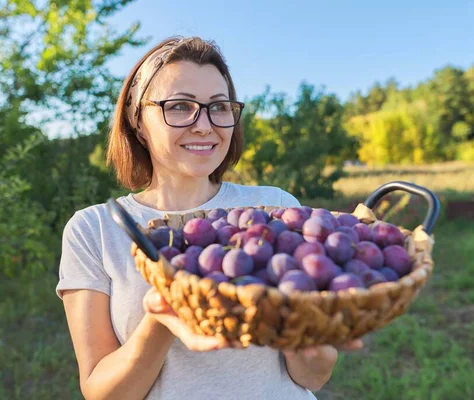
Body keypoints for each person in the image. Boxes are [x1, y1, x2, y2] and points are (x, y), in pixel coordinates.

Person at [56, 36, 363, 400]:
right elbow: (102, 393)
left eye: (219, 107)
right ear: (137, 120)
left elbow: (312, 378)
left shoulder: (274, 208)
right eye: (180, 106)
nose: (204, 125)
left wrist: (310, 340)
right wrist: (161, 317)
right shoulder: (97, 229)